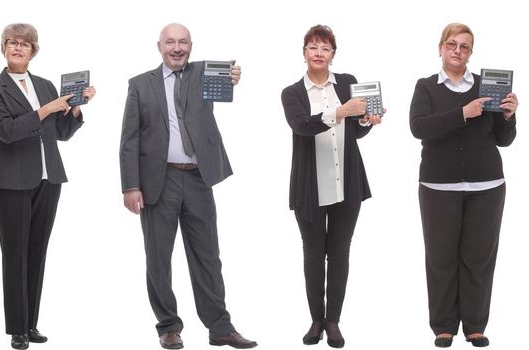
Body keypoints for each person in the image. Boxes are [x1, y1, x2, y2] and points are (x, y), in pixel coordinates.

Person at [119, 23, 256, 349]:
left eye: (183, 42)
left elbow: (229, 79)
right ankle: (168, 326)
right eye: (171, 42)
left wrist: (233, 77)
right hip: (157, 181)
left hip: (197, 178)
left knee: (208, 256)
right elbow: (129, 139)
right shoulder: (140, 85)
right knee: (158, 257)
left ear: (191, 46)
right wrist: (130, 186)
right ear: (159, 46)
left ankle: (220, 328)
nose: (177, 48)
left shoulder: (203, 73)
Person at [0, 23, 96, 350]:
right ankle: (17, 328)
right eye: (12, 43)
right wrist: (46, 109)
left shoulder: (46, 85)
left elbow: (60, 132)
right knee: (14, 254)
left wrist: (74, 108)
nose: (18, 48)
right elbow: (8, 131)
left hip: (49, 178)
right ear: (4, 48)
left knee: (37, 252)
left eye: (24, 44)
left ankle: (30, 324)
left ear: (33, 51)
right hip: (12, 180)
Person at [409, 23, 518, 348]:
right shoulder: (426, 86)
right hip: (438, 187)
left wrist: (509, 116)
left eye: (464, 47)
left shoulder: (487, 85)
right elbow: (418, 128)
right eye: (452, 44)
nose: (457, 51)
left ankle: (474, 325)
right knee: (441, 258)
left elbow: (504, 140)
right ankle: (443, 325)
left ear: (471, 53)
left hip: (487, 185)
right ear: (441, 47)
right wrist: (463, 112)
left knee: (478, 258)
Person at [280, 24, 382, 349]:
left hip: (347, 183)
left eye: (325, 48)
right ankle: (315, 321)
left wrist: (367, 121)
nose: (319, 54)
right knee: (313, 255)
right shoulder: (292, 93)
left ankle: (334, 322)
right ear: (304, 53)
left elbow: (355, 132)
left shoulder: (349, 83)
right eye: (313, 48)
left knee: (340, 254)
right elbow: (302, 126)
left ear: (333, 54)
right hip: (310, 186)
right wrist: (339, 112)